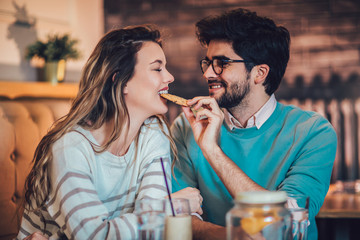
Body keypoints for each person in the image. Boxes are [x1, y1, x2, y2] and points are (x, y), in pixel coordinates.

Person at [17, 25, 202, 240]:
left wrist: (157, 212)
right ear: (120, 80)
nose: (169, 77)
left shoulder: (154, 135)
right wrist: (174, 206)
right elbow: (96, 236)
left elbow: (152, 229)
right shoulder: (71, 148)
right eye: (157, 68)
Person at [171, 8, 337, 240]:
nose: (208, 73)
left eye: (222, 63)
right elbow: (177, 216)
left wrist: (212, 151)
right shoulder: (187, 125)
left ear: (260, 73)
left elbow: (286, 222)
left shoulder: (313, 132)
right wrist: (233, 236)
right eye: (208, 63)